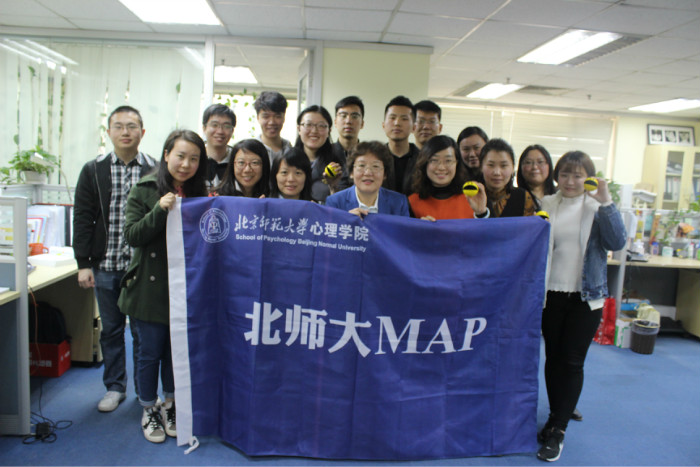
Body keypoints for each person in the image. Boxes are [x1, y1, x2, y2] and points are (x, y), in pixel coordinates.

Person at [118, 129, 208, 443]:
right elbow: (132, 236)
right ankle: (148, 408)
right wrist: (159, 210)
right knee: (148, 353)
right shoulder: (144, 189)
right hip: (148, 290)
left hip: (185, 289)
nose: (186, 164)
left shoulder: (200, 194)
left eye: (194, 159)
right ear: (167, 154)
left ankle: (170, 404)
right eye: (180, 156)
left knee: (175, 352)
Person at [537, 151, 626, 462]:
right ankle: (556, 413)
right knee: (553, 358)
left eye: (578, 175)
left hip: (587, 298)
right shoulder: (548, 204)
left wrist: (606, 201)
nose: (570, 181)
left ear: (589, 178)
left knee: (572, 362)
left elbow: (617, 242)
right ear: (557, 176)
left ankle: (558, 429)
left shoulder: (597, 207)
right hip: (551, 294)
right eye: (564, 174)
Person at [73, 105, 156, 413]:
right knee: (111, 330)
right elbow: (82, 218)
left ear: (142, 132)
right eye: (119, 126)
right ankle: (114, 387)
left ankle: (144, 391)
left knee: (142, 333)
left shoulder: (155, 169)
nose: (125, 132)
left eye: (132, 126)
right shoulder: (93, 170)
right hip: (105, 264)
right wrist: (83, 263)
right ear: (108, 132)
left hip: (141, 266)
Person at [408, 135, 488, 220]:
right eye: (434, 160)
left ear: (457, 163)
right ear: (424, 163)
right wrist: (418, 227)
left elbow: (492, 227)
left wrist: (481, 214)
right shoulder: (412, 202)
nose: (441, 167)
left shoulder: (474, 197)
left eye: (448, 161)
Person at [326, 141, 409, 217]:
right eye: (361, 166)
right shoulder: (335, 202)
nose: (368, 173)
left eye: (375, 166)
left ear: (385, 174)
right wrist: (346, 222)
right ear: (351, 173)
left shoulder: (399, 203)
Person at [294, 105, 346, 203]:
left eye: (321, 126)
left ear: (329, 131)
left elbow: (343, 204)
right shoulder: (287, 160)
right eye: (308, 125)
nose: (314, 131)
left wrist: (333, 186)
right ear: (299, 129)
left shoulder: (337, 163)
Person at [479, 138, 537, 217]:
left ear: (513, 168)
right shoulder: (471, 196)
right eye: (491, 165)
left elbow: (530, 224)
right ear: (481, 167)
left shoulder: (523, 197)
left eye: (503, 166)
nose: (497, 172)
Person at [382, 95, 420, 195]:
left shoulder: (423, 160)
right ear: (383, 125)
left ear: (414, 127)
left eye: (404, 119)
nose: (397, 123)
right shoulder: (375, 157)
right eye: (392, 118)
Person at [202, 103, 236, 187]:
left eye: (226, 126)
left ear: (232, 131)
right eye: (214, 125)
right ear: (204, 128)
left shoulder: (237, 160)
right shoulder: (196, 158)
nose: (220, 131)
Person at [254, 91, 292, 162]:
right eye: (266, 116)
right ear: (258, 118)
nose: (271, 122)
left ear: (284, 118)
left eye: (277, 116)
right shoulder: (251, 150)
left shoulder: (290, 148)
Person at [332, 95, 365, 162]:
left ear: (362, 123)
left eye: (354, 116)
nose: (348, 121)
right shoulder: (324, 153)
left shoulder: (368, 155)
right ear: (335, 122)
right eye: (343, 116)